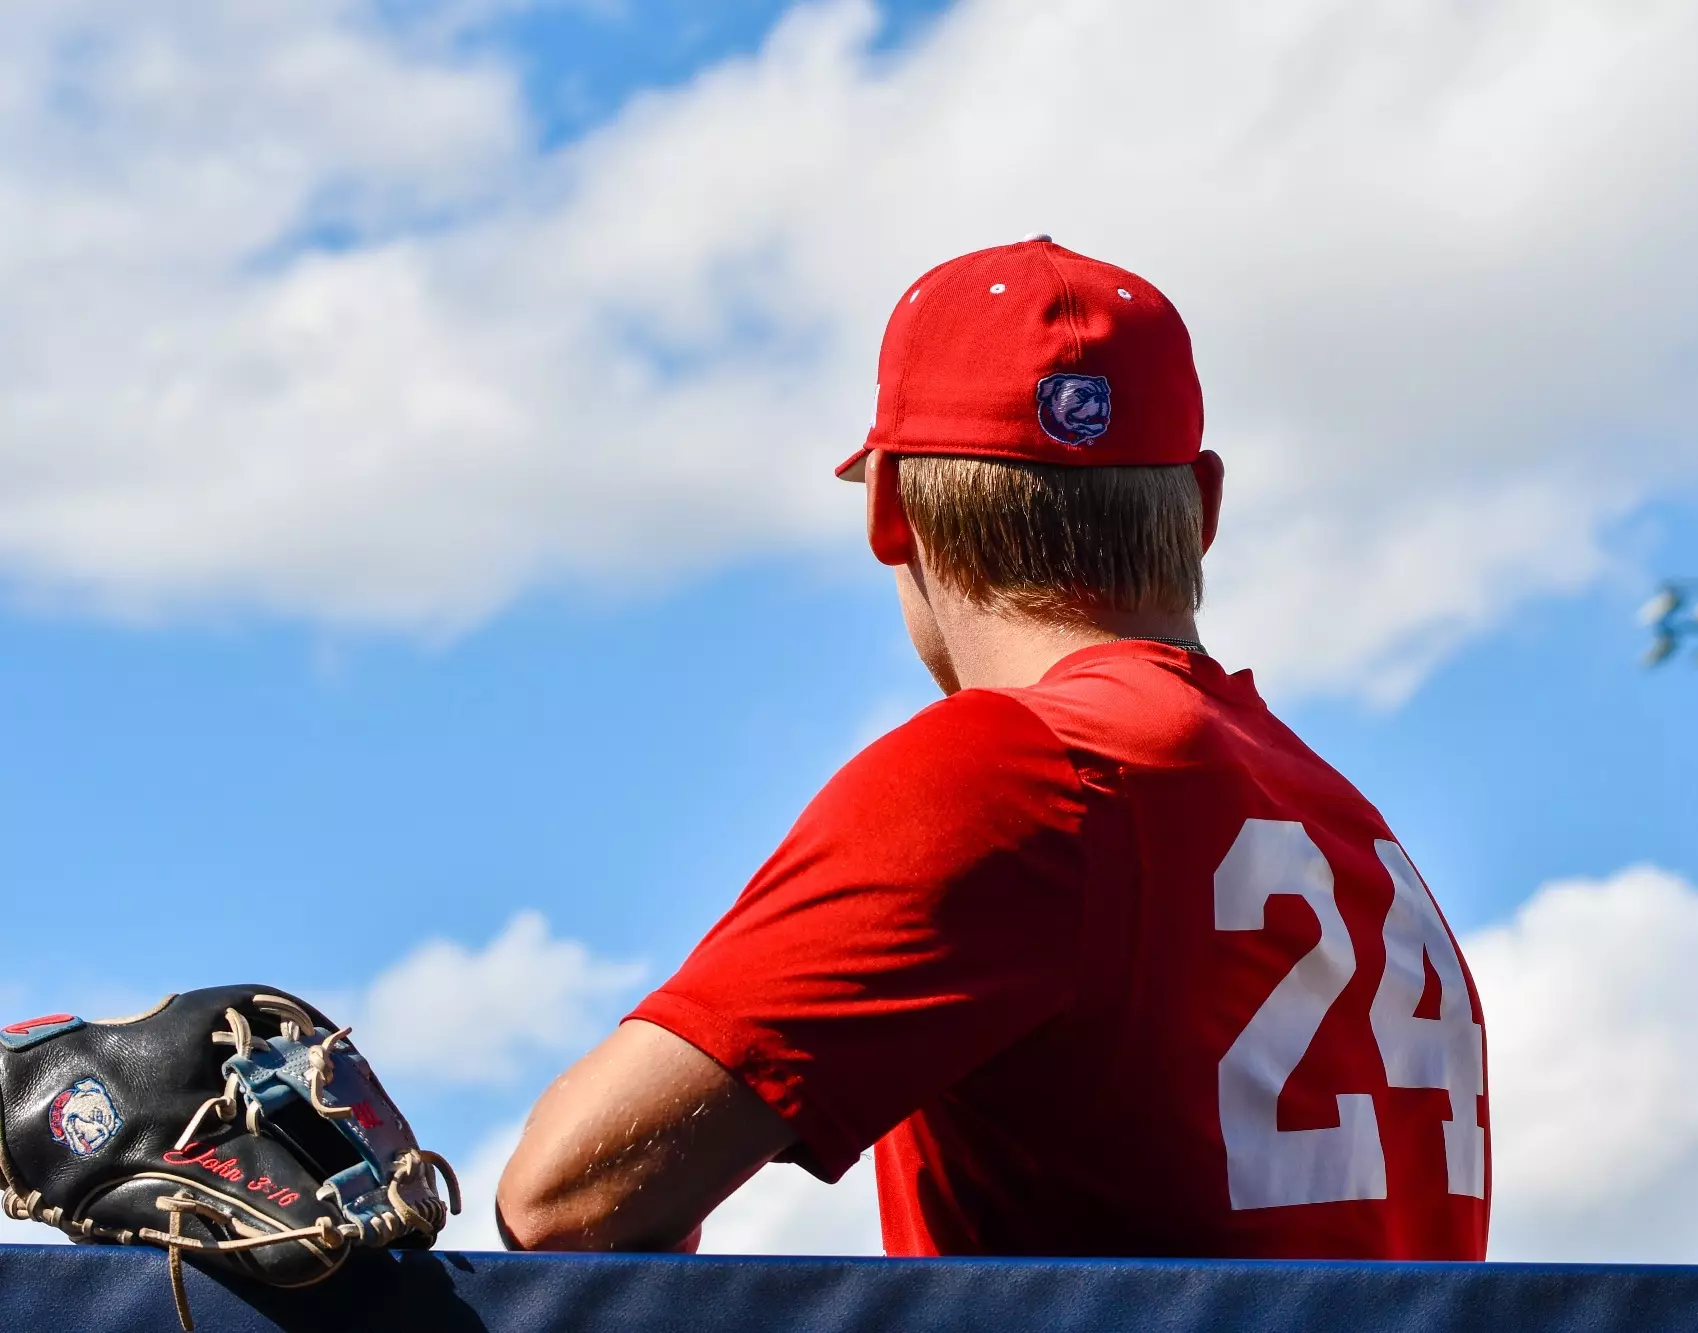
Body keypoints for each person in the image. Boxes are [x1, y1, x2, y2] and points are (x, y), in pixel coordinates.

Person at [495, 237, 1490, 1259]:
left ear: (888, 511)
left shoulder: (1014, 769)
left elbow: (564, 1199)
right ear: (1202, 509)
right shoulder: (1349, 824)